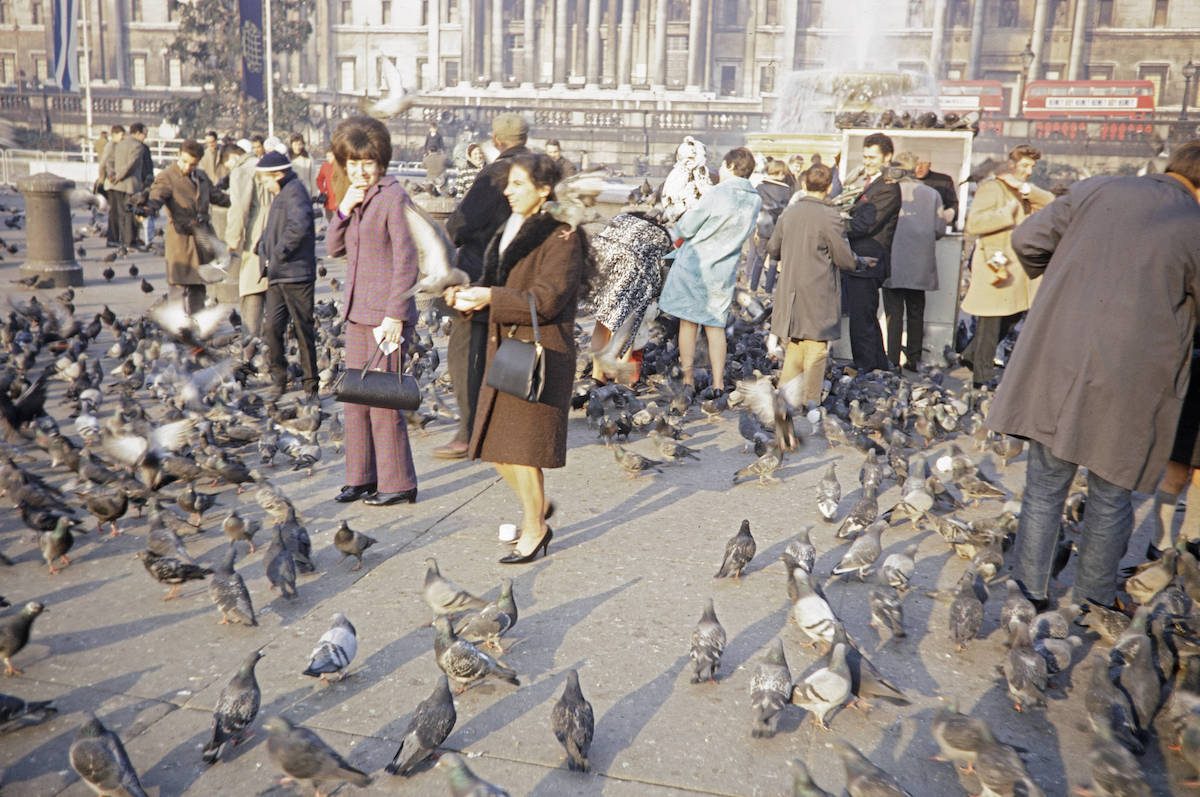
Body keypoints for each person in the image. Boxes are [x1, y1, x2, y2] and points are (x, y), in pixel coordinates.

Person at [986, 140, 1200, 611]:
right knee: (1110, 491)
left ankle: (1030, 593)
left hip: (1058, 356)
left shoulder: (1096, 189)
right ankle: (1093, 600)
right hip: (1132, 377)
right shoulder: (1194, 224)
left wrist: (1067, 282)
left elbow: (1026, 241)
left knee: (1045, 484)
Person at [443, 153, 592, 563]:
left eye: (518, 184)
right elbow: (497, 286)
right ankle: (536, 511)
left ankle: (535, 528)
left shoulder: (563, 235)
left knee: (522, 451)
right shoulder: (513, 227)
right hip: (509, 348)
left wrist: (491, 297)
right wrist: (468, 297)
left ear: (544, 190)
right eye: (508, 183)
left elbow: (546, 300)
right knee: (497, 447)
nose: (507, 191)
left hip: (540, 350)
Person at [326, 116, 420, 507]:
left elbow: (407, 260)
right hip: (357, 313)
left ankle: (398, 483)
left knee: (384, 401)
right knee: (355, 399)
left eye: (368, 163)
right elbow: (333, 248)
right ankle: (360, 477)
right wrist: (343, 209)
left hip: (384, 316)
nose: (361, 171)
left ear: (381, 162)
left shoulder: (393, 197)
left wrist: (396, 315)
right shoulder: (357, 197)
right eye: (353, 164)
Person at [438, 113, 533, 460]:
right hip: (518, 275)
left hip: (481, 273)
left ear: (496, 139)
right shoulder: (535, 168)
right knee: (506, 352)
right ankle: (505, 426)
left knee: (466, 356)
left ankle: (468, 432)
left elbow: (460, 224)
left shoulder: (496, 173)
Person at [658, 146, 762, 401]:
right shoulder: (755, 200)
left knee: (688, 322)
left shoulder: (716, 193)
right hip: (723, 271)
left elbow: (688, 226)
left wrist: (676, 229)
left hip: (695, 267)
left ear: (728, 166)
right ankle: (717, 384)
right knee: (715, 327)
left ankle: (688, 378)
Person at [960, 144, 1055, 388]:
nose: (1029, 171)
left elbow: (1051, 204)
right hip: (996, 263)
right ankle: (982, 376)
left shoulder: (1023, 191)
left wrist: (1026, 189)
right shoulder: (991, 188)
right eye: (1025, 166)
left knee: (1012, 315)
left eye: (1032, 166)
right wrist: (1006, 213)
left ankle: (971, 355)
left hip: (1016, 267)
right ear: (1011, 165)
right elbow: (974, 224)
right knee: (990, 321)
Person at [766, 163, 858, 408]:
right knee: (817, 349)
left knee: (795, 344)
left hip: (790, 288)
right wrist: (857, 261)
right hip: (817, 290)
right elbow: (844, 258)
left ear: (805, 183)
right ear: (828, 187)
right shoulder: (830, 216)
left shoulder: (790, 212)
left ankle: (785, 398)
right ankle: (811, 402)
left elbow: (773, 248)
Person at [136, 139, 229, 314]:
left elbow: (217, 197)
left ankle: (196, 330)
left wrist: (238, 199)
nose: (187, 167)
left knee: (198, 288)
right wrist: (147, 207)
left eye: (192, 164)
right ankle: (176, 331)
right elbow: (157, 195)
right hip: (181, 240)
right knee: (178, 289)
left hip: (202, 239)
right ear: (178, 155)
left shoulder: (201, 176)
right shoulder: (167, 176)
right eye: (184, 162)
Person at [254, 150, 318, 401]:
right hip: (278, 275)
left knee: (303, 330)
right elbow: (276, 228)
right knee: (271, 328)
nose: (264, 184)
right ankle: (279, 377)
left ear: (278, 174)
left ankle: (311, 385)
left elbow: (299, 227)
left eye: (265, 179)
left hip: (296, 275)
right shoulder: (283, 193)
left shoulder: (296, 192)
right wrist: (261, 247)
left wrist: (277, 254)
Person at [588, 208, 674, 383]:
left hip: (604, 262)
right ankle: (622, 381)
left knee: (602, 322)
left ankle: (597, 377)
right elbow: (663, 276)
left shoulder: (623, 218)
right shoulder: (663, 237)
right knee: (628, 326)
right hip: (635, 272)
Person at [881, 151, 949, 372]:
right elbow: (939, 230)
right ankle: (913, 359)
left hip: (893, 263)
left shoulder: (888, 191)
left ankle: (892, 360)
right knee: (916, 313)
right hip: (920, 264)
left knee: (894, 314)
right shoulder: (932, 194)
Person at [845, 132, 901, 373]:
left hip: (868, 261)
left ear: (887, 157)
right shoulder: (872, 183)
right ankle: (878, 364)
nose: (867, 162)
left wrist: (835, 225)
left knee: (861, 317)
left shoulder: (887, 188)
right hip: (864, 261)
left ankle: (865, 368)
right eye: (865, 156)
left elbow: (865, 225)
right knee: (865, 314)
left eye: (872, 157)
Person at [224, 140, 271, 342]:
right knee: (269, 287)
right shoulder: (262, 164)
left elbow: (239, 207)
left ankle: (251, 339)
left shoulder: (241, 169)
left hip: (255, 233)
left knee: (252, 287)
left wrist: (232, 239)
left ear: (232, 157)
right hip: (272, 230)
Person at [745, 159, 792, 293]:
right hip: (778, 229)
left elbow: (753, 209)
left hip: (762, 227)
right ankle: (769, 289)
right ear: (782, 173)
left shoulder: (760, 187)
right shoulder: (786, 190)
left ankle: (753, 286)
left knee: (759, 257)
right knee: (773, 260)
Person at [109, 122, 150, 250]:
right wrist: (120, 176)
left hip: (116, 185)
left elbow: (109, 161)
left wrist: (112, 175)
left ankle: (123, 241)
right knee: (131, 214)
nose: (145, 137)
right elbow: (132, 164)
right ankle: (130, 241)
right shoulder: (138, 146)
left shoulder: (119, 144)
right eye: (145, 134)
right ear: (137, 133)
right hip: (130, 185)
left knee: (121, 213)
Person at [658, 136, 712, 226]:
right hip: (681, 220)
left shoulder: (701, 172)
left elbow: (707, 191)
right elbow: (673, 199)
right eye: (690, 158)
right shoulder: (679, 174)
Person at [915, 154, 959, 227]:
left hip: (934, 225)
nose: (920, 167)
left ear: (929, 164)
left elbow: (953, 206)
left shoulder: (944, 180)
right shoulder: (903, 181)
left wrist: (943, 217)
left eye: (924, 163)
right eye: (916, 164)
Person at [100, 125, 126, 247]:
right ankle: (112, 239)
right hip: (112, 184)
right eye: (121, 135)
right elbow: (104, 163)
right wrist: (106, 177)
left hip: (115, 183)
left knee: (116, 212)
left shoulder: (117, 146)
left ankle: (115, 238)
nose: (123, 137)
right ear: (114, 134)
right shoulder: (110, 146)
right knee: (114, 212)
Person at [314, 150, 339, 221]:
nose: (328, 158)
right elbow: (319, 179)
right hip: (328, 200)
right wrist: (323, 190)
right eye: (327, 156)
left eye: (330, 156)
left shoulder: (341, 165)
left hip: (339, 200)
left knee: (340, 221)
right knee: (330, 220)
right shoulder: (325, 166)